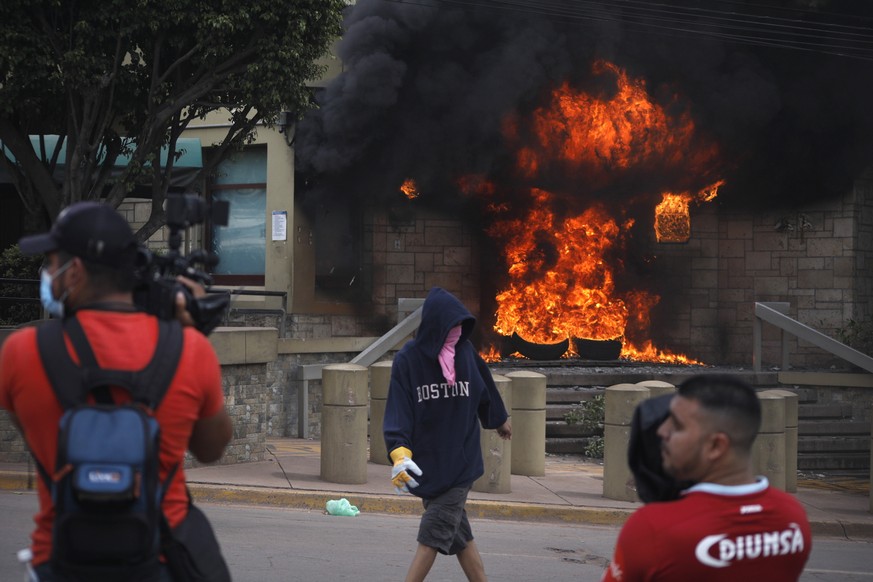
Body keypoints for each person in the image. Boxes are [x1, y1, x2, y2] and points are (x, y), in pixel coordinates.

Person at [0, 201, 233, 580]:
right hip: (158, 560)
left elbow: (35, 436)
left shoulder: (22, 352)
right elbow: (211, 449)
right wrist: (190, 332)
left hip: (59, 561)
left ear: (75, 272)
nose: (47, 274)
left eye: (51, 263)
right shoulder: (189, 349)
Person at [602, 374, 812, 581]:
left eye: (677, 425)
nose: (662, 431)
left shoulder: (652, 528)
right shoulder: (793, 517)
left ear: (716, 446)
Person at [384, 287, 512, 582]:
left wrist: (498, 419)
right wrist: (399, 452)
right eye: (450, 327)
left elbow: (485, 388)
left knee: (432, 535)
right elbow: (398, 411)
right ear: (434, 325)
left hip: (460, 463)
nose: (455, 333)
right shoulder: (409, 360)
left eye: (460, 326)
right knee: (459, 536)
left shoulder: (465, 353)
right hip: (428, 463)